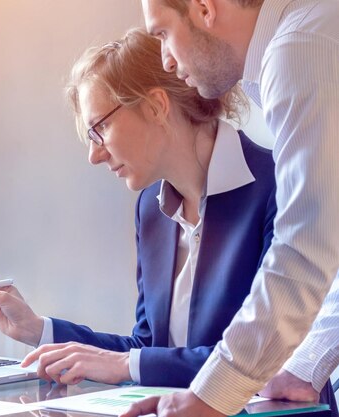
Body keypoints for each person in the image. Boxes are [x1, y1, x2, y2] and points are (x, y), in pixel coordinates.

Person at [0, 27, 320, 401]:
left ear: (156, 106)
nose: (94, 155)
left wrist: (127, 365)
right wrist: (37, 329)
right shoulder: (152, 207)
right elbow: (149, 346)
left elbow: (268, 360)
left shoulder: (281, 188)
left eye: (99, 129)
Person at [122, 0, 339, 416]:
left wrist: (211, 395)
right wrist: (305, 365)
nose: (166, 61)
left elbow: (306, 247)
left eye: (164, 33)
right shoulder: (301, 43)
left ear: (204, 9)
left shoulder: (299, 48)